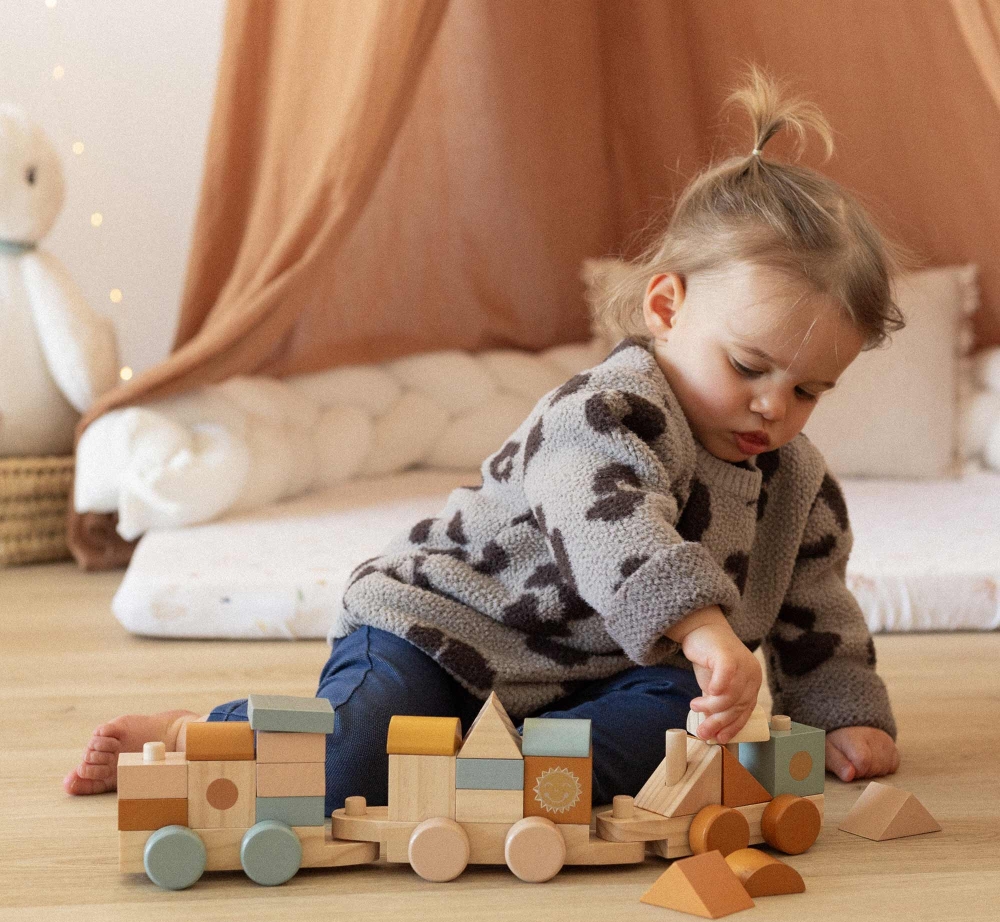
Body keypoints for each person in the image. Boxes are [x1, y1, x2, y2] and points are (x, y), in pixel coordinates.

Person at [66, 65, 904, 812]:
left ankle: (492, 773)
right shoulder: (604, 414)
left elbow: (816, 609)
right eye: (750, 367)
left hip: (585, 683)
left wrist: (844, 713)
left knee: (679, 726)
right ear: (665, 308)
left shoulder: (794, 482)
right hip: (440, 636)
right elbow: (608, 525)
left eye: (809, 391)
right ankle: (208, 733)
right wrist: (703, 628)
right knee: (344, 764)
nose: (774, 408)